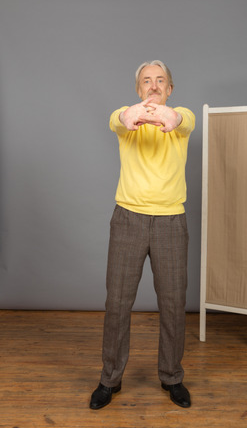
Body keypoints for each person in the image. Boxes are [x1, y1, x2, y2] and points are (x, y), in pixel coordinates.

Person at [90, 60, 195, 410]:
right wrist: (132, 116)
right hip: (128, 219)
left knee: (173, 304)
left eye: (160, 81)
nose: (153, 86)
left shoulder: (184, 118)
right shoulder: (126, 117)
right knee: (117, 303)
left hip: (170, 222)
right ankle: (110, 380)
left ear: (170, 89)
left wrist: (169, 117)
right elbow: (118, 119)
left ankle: (172, 377)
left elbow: (180, 120)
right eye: (146, 81)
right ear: (138, 89)